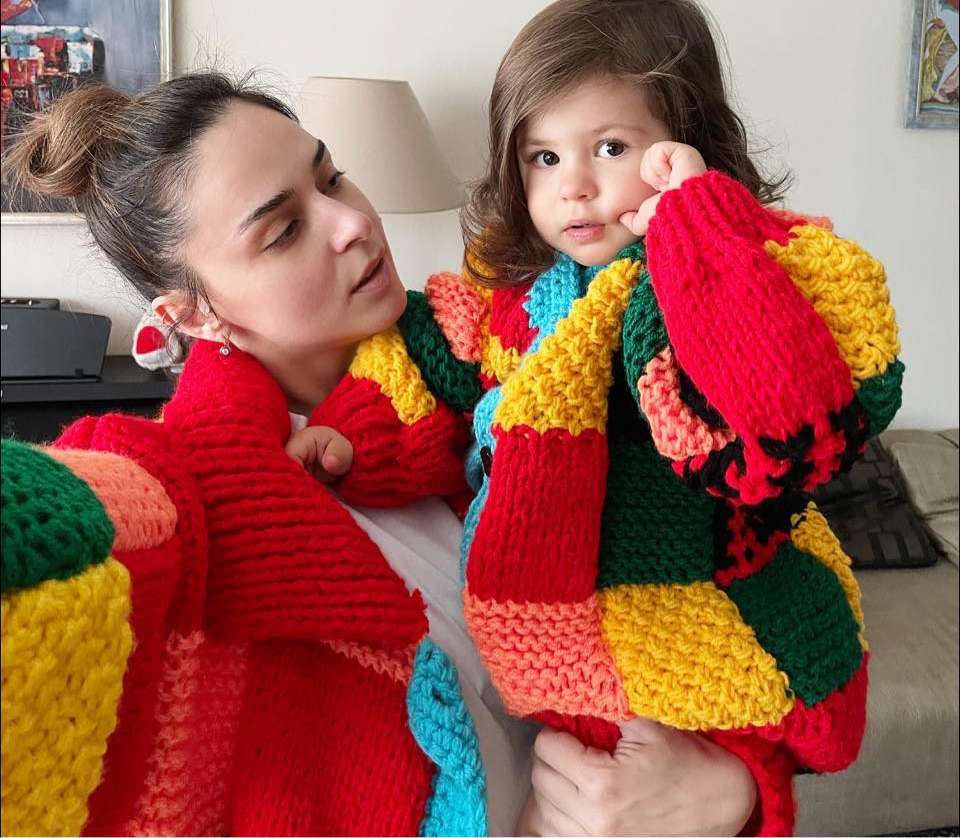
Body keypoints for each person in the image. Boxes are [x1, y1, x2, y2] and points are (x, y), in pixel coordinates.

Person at [2, 71, 761, 836]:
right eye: (284, 230)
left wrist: (733, 788)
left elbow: (742, 565)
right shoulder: (198, 510)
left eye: (332, 177)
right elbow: (78, 522)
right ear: (194, 315)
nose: (352, 222)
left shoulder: (507, 358)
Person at [295, 0, 903, 836]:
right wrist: (348, 436)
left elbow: (780, 412)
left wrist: (699, 228)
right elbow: (425, 368)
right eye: (543, 157)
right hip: (563, 662)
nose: (574, 187)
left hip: (708, 624)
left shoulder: (719, 277)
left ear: (690, 145)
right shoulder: (512, 302)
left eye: (610, 147)